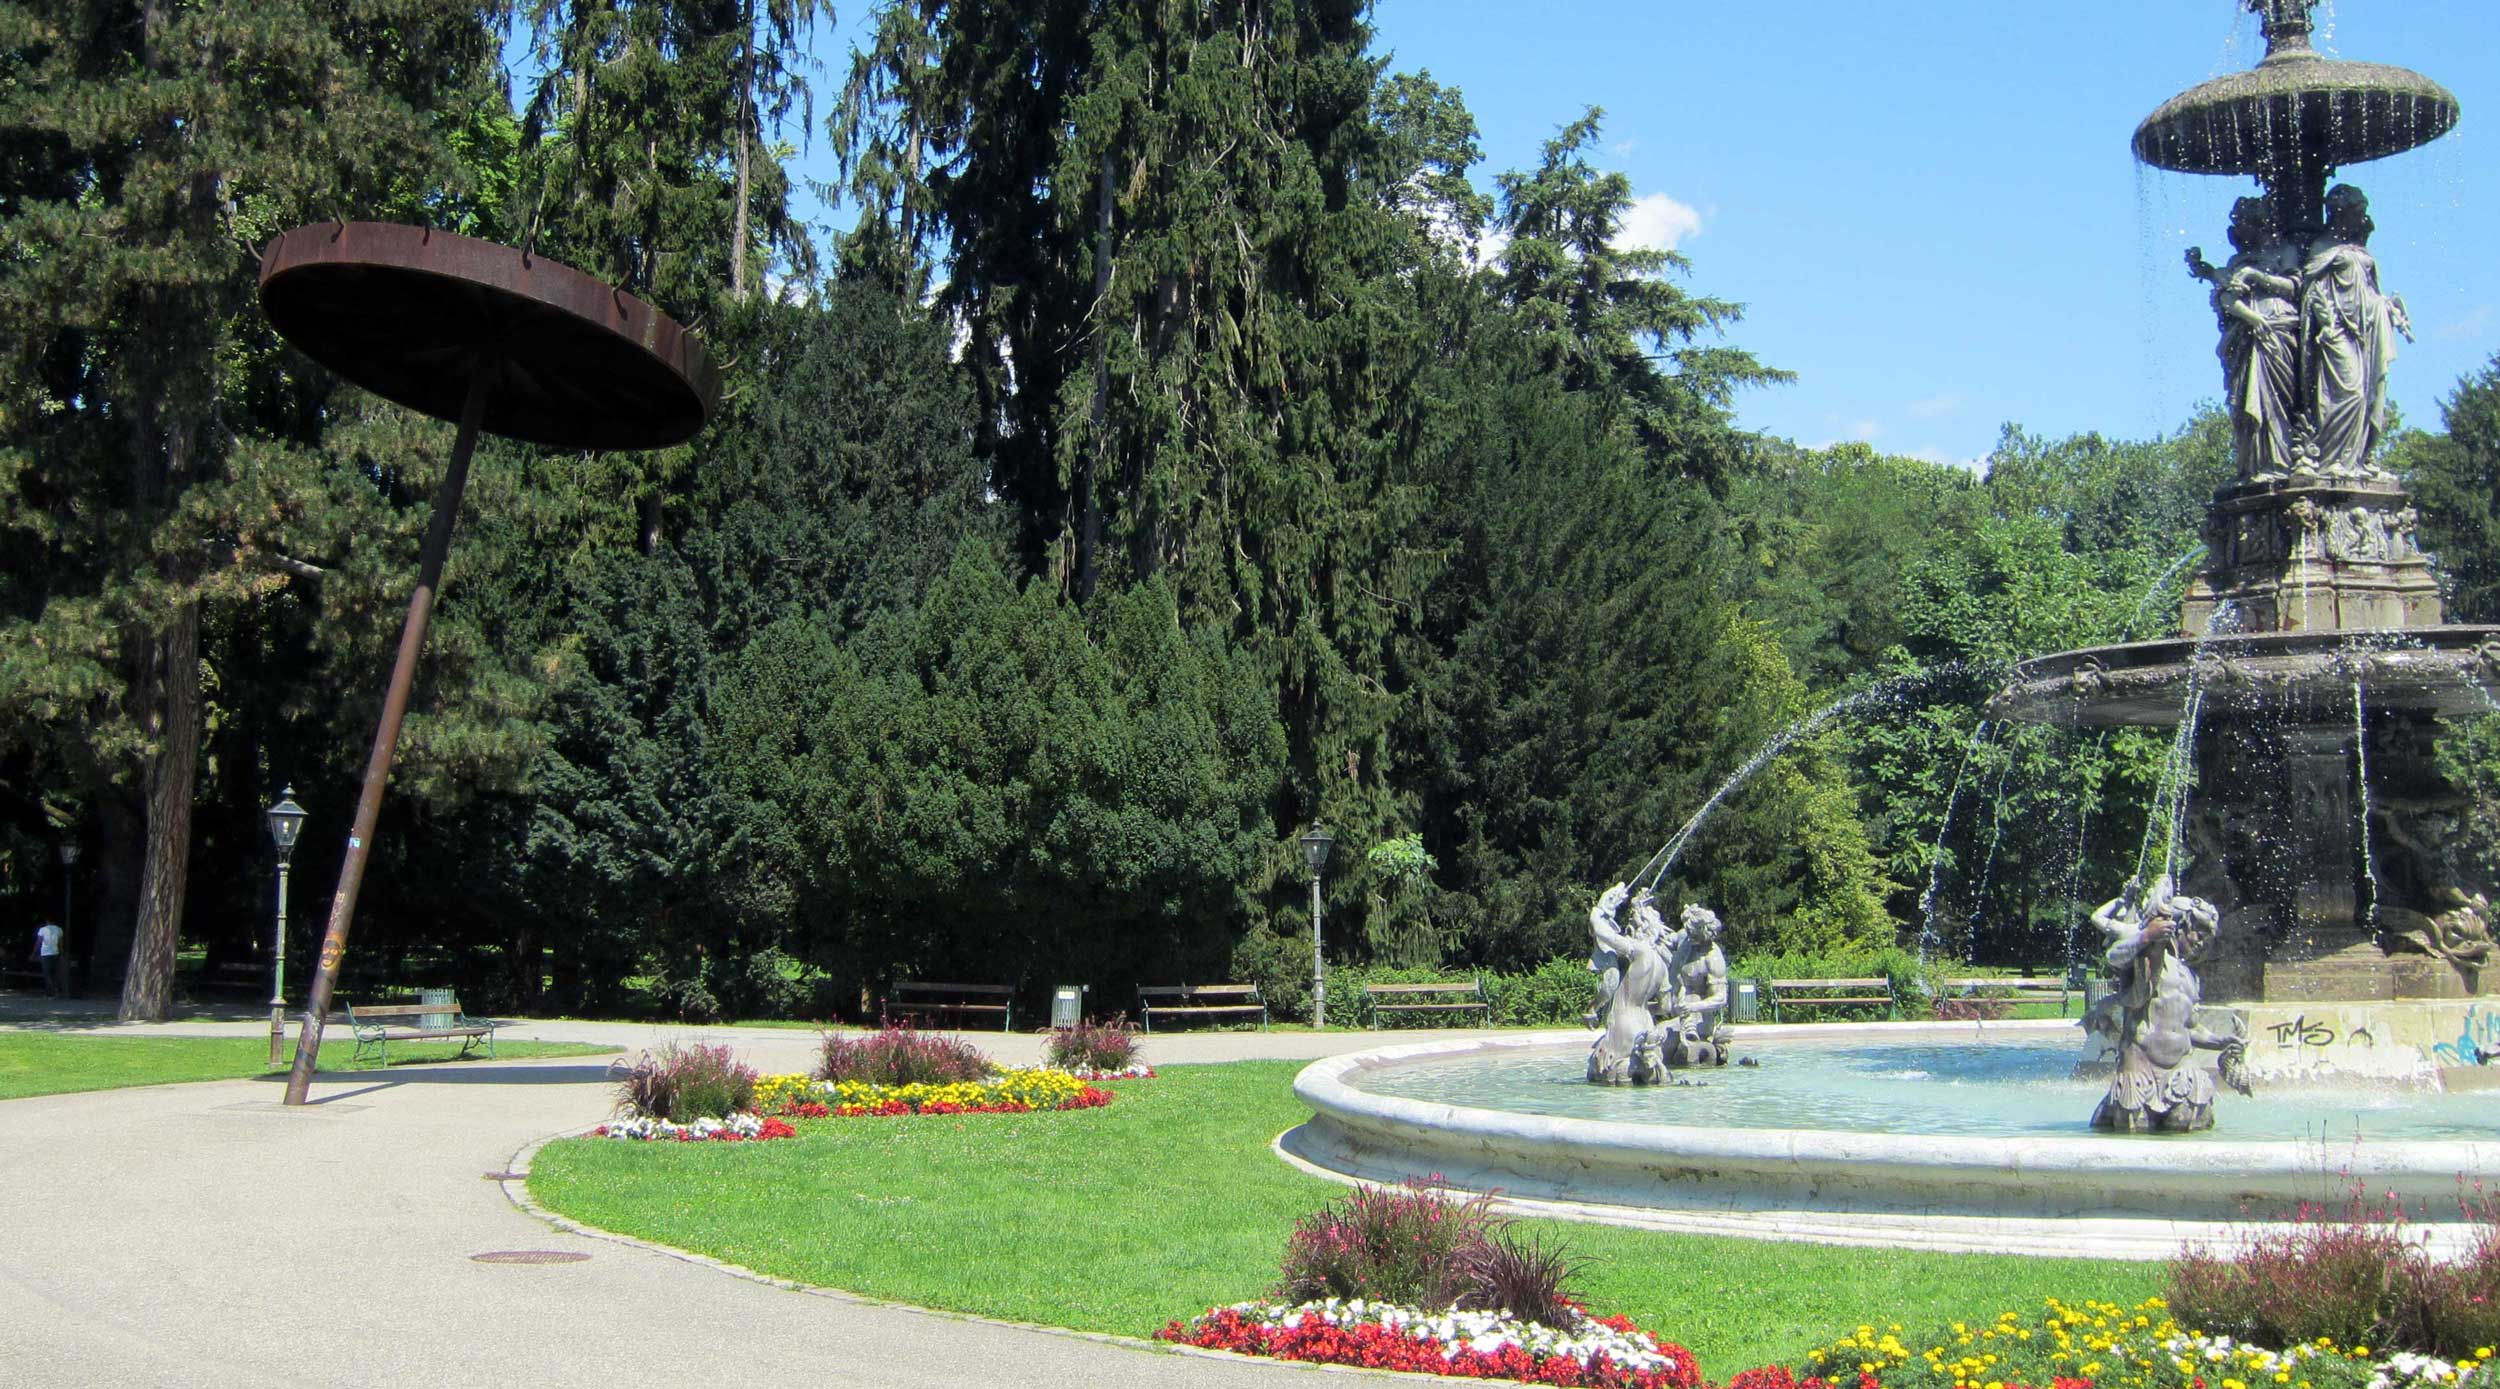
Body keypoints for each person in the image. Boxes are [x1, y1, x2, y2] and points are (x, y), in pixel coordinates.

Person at [2085, 879, 2248, 1133]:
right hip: (2139, 1072)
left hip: (2182, 1075)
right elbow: (2114, 957)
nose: (2203, 942)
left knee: (2187, 1129)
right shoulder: (2149, 956)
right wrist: (2146, 936)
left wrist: (2221, 1041)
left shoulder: (2190, 977)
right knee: (2133, 1135)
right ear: (2181, 926)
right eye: (2200, 933)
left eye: (2208, 938)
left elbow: (2191, 1029)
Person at [2296, 185, 2411, 479]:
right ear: (2340, 213)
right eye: (2357, 212)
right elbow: (2309, 289)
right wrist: (2326, 320)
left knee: (2369, 394)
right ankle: (2331, 458)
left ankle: (2358, 458)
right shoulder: (2322, 248)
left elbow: (2371, 290)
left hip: (2367, 331)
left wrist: (2388, 306)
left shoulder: (2359, 249)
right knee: (2347, 393)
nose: (2362, 218)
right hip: (2336, 331)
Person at [2186, 197, 2301, 481]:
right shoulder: (2236, 261)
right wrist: (2208, 271)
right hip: (2246, 334)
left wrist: (2256, 277)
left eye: (2243, 224)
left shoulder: (2284, 252)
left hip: (2276, 329)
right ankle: (2252, 465)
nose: (2237, 231)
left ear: (2261, 225)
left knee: (2272, 399)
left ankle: (2279, 462)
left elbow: (2296, 286)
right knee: (2243, 402)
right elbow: (2224, 287)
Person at [1584, 882, 1671, 1085]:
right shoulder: (1662, 964)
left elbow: (1601, 931)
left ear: (1637, 927)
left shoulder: (1639, 950)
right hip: (1647, 1025)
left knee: (1610, 1079)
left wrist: (1600, 908)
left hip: (1624, 1024)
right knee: (1649, 1087)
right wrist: (1640, 1004)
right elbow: (1666, 1007)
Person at [1660, 904, 1731, 1066]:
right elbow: (1667, 941)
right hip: (1674, 1009)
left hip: (1697, 1019)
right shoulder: (1686, 937)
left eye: (1693, 933)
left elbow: (1721, 998)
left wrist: (1693, 1007)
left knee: (1660, 1037)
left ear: (1705, 932)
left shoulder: (1713, 958)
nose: (1689, 935)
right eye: (1688, 931)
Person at [33, 919, 66, 998]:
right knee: (54, 972)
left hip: (45, 953)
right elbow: (60, 943)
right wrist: (62, 953)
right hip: (55, 952)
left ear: (47, 921)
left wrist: (34, 952)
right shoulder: (59, 929)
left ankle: (50, 991)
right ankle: (55, 990)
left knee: (46, 973)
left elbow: (39, 942)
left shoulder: (42, 929)